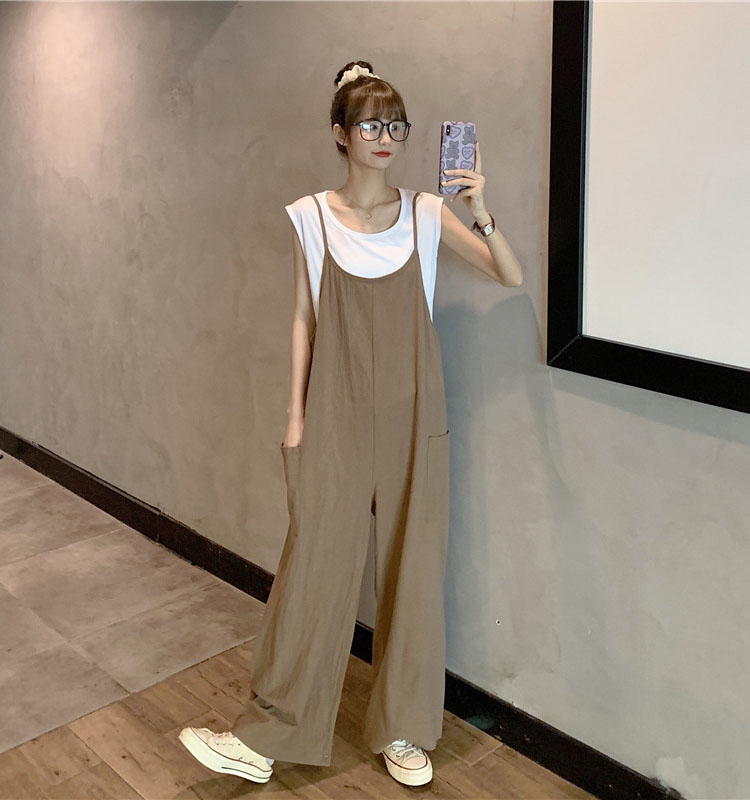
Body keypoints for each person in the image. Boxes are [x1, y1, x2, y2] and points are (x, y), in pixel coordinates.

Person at [179, 60, 523, 787]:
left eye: (395, 123)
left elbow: (509, 275)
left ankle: (404, 730)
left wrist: (480, 207)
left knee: (413, 570)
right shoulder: (309, 217)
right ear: (340, 133)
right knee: (313, 567)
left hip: (415, 413)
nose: (385, 136)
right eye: (370, 123)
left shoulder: (426, 212)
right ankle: (264, 737)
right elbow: (303, 318)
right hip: (332, 412)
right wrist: (296, 416)